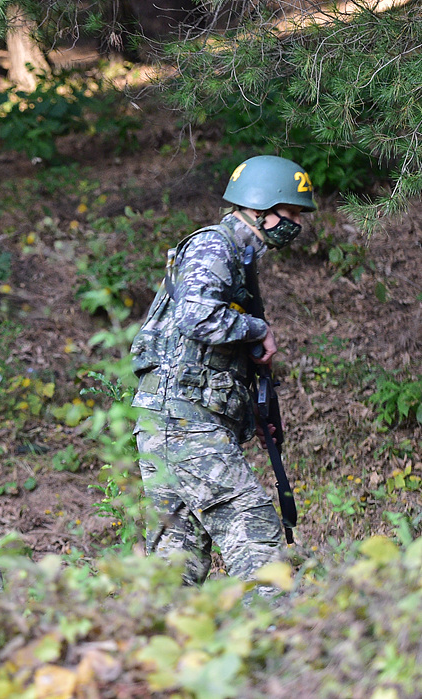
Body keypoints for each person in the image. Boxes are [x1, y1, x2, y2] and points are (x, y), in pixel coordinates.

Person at [129, 155, 316, 594]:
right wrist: (259, 328)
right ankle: (279, 645)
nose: (294, 224)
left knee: (178, 557)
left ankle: (153, 649)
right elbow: (197, 318)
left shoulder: (239, 255)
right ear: (258, 207)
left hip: (171, 423)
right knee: (253, 531)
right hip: (184, 425)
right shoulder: (217, 246)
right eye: (288, 213)